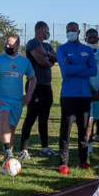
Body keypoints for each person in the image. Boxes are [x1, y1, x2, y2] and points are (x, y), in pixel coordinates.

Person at [56, 22, 97, 174]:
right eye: (68, 31)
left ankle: (83, 161)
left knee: (83, 130)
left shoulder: (87, 50)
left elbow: (93, 71)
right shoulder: (62, 49)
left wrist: (76, 68)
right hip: (68, 94)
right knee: (65, 130)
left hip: (85, 95)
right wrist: (84, 67)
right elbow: (66, 70)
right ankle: (63, 163)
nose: (70, 32)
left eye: (73, 30)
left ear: (79, 31)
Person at [0, 34, 36, 160]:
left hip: (17, 101)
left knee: (11, 129)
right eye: (6, 43)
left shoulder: (24, 62)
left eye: (10, 44)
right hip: (1, 98)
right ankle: (8, 149)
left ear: (18, 45)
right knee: (4, 116)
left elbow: (33, 79)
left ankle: (8, 158)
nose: (7, 46)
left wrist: (29, 95)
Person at [20, 21, 58, 159]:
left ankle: (44, 148)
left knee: (44, 118)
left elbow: (56, 58)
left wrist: (47, 54)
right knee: (31, 117)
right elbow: (43, 62)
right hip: (35, 86)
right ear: (40, 30)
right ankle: (23, 149)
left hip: (47, 86)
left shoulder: (47, 46)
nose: (48, 33)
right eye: (46, 30)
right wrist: (49, 59)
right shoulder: (32, 43)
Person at [85, 29, 99, 155]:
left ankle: (98, 146)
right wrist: (92, 92)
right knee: (89, 122)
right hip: (87, 94)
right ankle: (88, 150)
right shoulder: (84, 54)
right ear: (86, 39)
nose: (92, 39)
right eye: (90, 37)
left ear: (98, 39)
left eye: (94, 37)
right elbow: (83, 75)